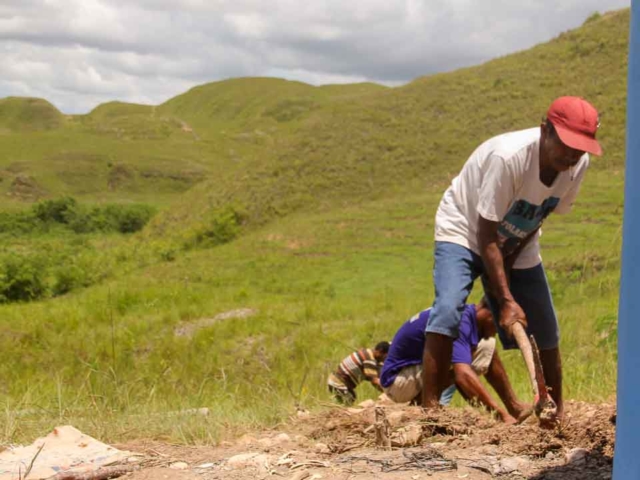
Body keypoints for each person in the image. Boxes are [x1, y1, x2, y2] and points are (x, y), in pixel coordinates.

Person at [421, 96, 602, 425]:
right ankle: (431, 413)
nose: (573, 155)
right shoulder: (509, 158)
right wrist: (504, 299)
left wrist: (510, 259)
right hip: (464, 228)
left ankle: (554, 414)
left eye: (581, 147)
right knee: (448, 309)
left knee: (545, 325)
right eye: (566, 145)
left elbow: (539, 215)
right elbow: (485, 233)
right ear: (545, 130)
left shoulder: (577, 165)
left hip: (518, 235)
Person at [381, 302, 531, 424]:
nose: (499, 331)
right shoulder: (458, 323)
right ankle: (425, 406)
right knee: (460, 362)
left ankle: (514, 407)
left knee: (487, 347)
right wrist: (501, 416)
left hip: (410, 375)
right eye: (500, 325)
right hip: (397, 382)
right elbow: (462, 376)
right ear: (490, 315)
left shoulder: (464, 315)